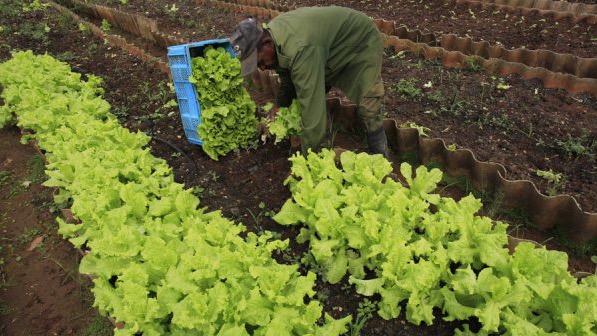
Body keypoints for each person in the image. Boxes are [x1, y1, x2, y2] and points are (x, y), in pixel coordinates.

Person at [229, 6, 389, 157]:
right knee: (310, 84)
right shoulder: (275, 40)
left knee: (368, 104)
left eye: (259, 62)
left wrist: (306, 157)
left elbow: (313, 114)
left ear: (266, 44)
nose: (262, 68)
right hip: (326, 47)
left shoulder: (299, 48)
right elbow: (288, 78)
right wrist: (279, 104)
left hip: (359, 40)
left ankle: (381, 156)